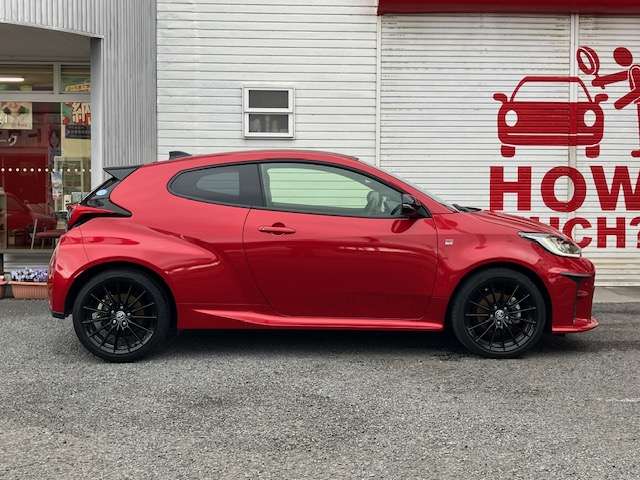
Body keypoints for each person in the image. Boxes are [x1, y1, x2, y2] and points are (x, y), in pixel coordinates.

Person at [592, 47, 640, 157]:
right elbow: (618, 77)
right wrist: (599, 81)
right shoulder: (633, 69)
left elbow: (638, 90)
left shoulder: (636, 69)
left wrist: (621, 102)